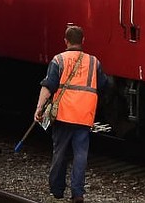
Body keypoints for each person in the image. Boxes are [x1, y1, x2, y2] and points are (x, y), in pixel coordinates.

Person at [33, 24, 108, 203]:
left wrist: (39, 108)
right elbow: (104, 84)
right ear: (83, 41)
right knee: (80, 155)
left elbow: (48, 86)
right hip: (84, 116)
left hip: (64, 115)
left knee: (60, 153)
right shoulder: (94, 62)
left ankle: (57, 190)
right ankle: (78, 194)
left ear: (65, 41)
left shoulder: (58, 60)